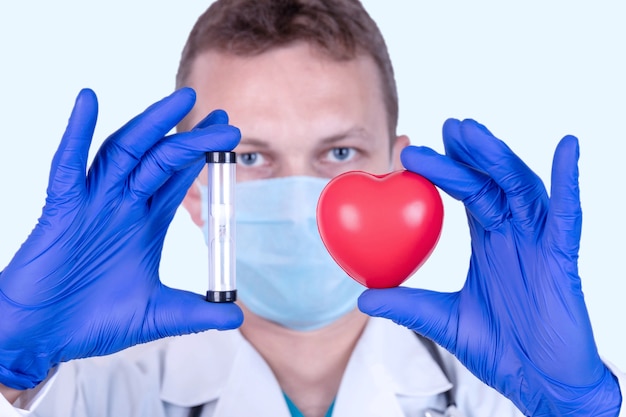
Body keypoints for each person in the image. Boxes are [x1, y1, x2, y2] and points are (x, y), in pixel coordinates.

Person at [0, 0, 623, 416]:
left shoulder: (497, 395)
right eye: (246, 158)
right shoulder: (95, 392)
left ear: (400, 165)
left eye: (340, 150)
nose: (301, 196)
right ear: (191, 187)